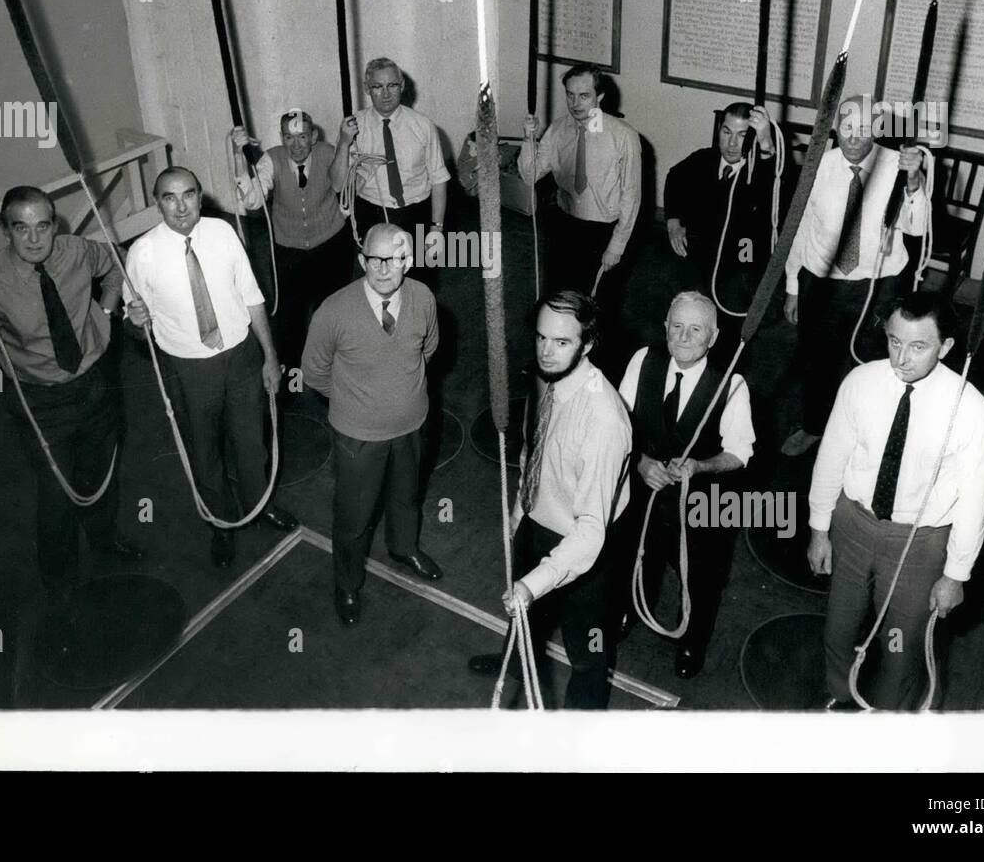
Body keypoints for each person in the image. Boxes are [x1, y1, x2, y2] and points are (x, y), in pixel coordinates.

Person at [808, 292, 984, 710]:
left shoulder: (972, 412)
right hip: (853, 525)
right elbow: (831, 457)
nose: (901, 358)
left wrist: (956, 575)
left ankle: (887, 723)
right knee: (837, 630)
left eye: (918, 346)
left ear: (945, 347)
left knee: (900, 647)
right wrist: (819, 528)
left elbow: (973, 503)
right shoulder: (860, 383)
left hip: (920, 544)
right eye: (894, 341)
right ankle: (840, 697)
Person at [0, 186, 144, 593]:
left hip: (96, 385)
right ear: (6, 230)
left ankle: (105, 542)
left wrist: (108, 313)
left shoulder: (77, 250)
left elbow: (115, 261)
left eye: (42, 226)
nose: (34, 239)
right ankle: (59, 580)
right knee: (57, 492)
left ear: (54, 224)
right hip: (42, 402)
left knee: (101, 475)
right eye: (20, 228)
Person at [125, 166, 297, 571]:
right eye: (170, 197)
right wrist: (135, 320)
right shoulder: (142, 253)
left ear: (201, 196)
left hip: (240, 357)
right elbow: (135, 330)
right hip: (188, 369)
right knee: (204, 452)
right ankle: (220, 521)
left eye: (189, 194)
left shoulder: (223, 233)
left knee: (251, 442)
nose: (181, 205)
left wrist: (270, 357)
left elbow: (252, 296)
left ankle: (258, 507)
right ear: (157, 203)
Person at [467, 290, 632, 709]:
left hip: (584, 546)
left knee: (588, 655)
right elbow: (533, 450)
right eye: (542, 338)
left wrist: (532, 584)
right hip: (538, 521)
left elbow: (591, 530)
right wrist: (518, 513)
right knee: (525, 623)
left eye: (562, 343)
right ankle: (516, 661)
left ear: (588, 345)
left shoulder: (604, 420)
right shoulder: (547, 379)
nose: (546, 352)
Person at [301, 222, 443, 625]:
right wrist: (358, 402)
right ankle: (347, 583)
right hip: (357, 436)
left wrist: (398, 395)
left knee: (406, 497)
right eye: (375, 259)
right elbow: (313, 372)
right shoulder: (334, 311)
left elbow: (427, 350)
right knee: (354, 516)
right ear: (362, 260)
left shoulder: (424, 299)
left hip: (413, 425)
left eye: (394, 259)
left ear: (408, 262)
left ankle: (404, 547)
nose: (383, 269)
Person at [616, 291, 755, 678]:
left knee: (701, 576)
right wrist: (641, 461)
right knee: (636, 554)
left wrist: (700, 465)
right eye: (676, 327)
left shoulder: (732, 386)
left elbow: (740, 453)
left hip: (701, 504)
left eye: (696, 329)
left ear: (713, 337)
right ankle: (630, 609)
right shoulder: (643, 360)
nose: (684, 336)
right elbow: (619, 423)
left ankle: (692, 639)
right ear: (665, 328)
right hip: (643, 491)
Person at [782, 96, 929, 457]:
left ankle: (868, 434)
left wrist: (913, 183)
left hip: (880, 283)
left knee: (874, 360)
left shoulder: (899, 165)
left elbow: (918, 225)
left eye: (863, 129)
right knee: (817, 359)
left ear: (878, 129)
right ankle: (814, 426)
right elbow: (799, 228)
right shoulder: (818, 166)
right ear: (835, 126)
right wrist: (792, 286)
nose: (852, 137)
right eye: (846, 127)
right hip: (822, 279)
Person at [230, 110, 350, 373]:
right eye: (289, 137)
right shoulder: (271, 159)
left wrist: (345, 143)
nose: (296, 145)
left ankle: (333, 369)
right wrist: (239, 155)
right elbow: (251, 200)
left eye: (302, 137)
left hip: (330, 245)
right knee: (290, 319)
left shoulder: (329, 153)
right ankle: (292, 379)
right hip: (288, 250)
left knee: (332, 312)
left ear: (314, 136)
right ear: (281, 138)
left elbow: (342, 185)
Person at [663, 102, 789, 351]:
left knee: (727, 332)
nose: (732, 144)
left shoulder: (760, 172)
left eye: (743, 135)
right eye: (727, 132)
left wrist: (765, 142)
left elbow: (777, 182)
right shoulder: (703, 160)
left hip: (740, 265)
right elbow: (675, 179)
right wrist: (673, 221)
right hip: (698, 263)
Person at [519, 65, 641, 302]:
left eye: (584, 96)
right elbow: (530, 175)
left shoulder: (623, 136)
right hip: (564, 223)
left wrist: (617, 244)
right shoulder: (557, 130)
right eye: (570, 95)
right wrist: (528, 138)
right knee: (559, 294)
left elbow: (631, 195)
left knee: (596, 303)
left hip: (603, 229)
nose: (575, 103)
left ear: (600, 97)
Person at [329, 58, 450, 256]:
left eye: (392, 85)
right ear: (367, 89)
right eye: (377, 86)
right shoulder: (353, 127)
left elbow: (438, 179)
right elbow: (336, 185)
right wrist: (343, 143)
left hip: (416, 212)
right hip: (372, 213)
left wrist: (436, 228)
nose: (385, 94)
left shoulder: (423, 126)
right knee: (380, 278)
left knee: (419, 278)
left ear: (402, 86)